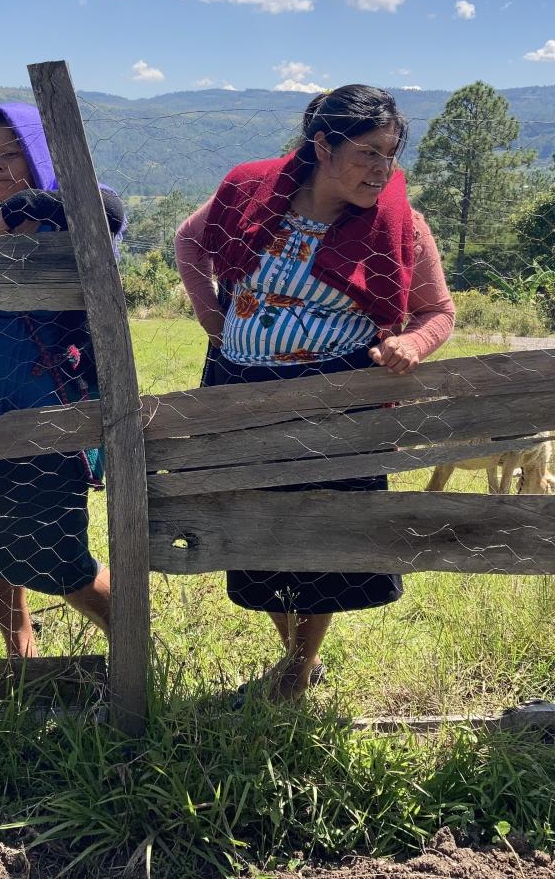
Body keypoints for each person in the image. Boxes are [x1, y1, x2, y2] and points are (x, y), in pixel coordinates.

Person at [175, 85, 455, 701]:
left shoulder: (399, 223)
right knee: (254, 532)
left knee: (321, 537)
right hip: (240, 394)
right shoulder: (251, 192)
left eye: (391, 154)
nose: (382, 170)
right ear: (322, 144)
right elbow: (189, 240)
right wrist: (209, 314)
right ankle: (293, 653)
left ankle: (301, 666)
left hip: (333, 403)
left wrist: (411, 345)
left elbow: (437, 311)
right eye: (368, 153)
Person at [0, 103, 124, 657]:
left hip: (47, 412)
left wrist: (29, 206)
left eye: (12, 151)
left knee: (58, 556)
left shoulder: (71, 211)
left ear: (38, 153)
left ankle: (134, 643)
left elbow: (108, 211)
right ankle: (21, 652)